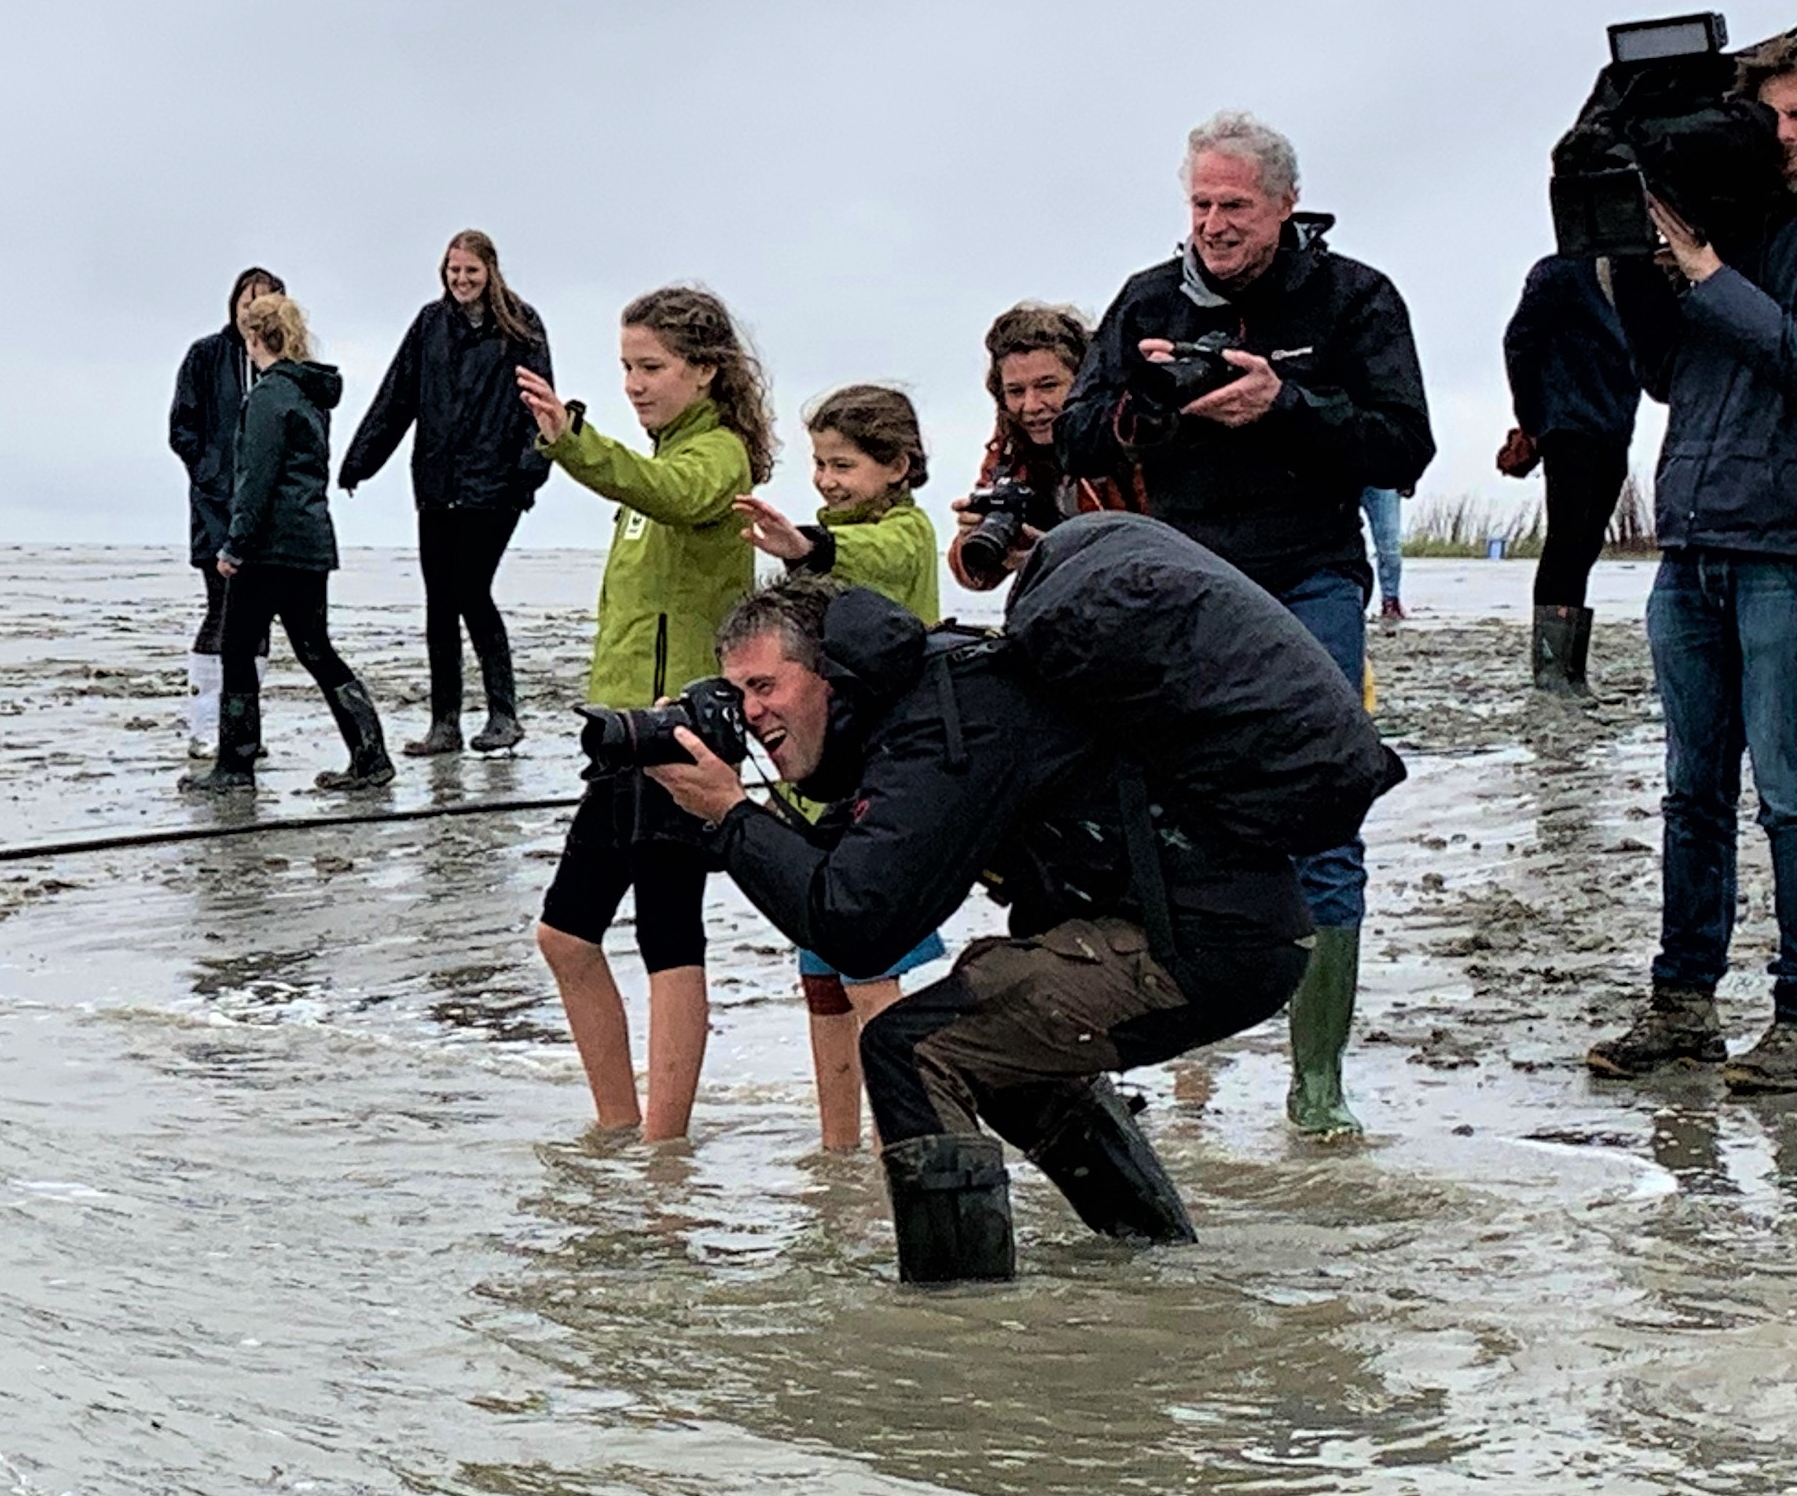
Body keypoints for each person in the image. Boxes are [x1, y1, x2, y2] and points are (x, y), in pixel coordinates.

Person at [655, 572, 1320, 1272]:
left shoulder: (949, 721)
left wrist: (733, 815)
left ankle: (958, 1312)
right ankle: (1152, 1256)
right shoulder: (924, 705)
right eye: (736, 694)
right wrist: (719, 810)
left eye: (765, 686)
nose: (750, 712)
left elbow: (857, 923)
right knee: (991, 1023)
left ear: (831, 672)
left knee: (909, 1047)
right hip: (1227, 930)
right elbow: (842, 874)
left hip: (1210, 943)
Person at [1058, 111, 1431, 1138]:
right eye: (1200, 204)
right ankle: (1169, 1051)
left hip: (1310, 577)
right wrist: (1161, 404)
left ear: (1283, 207)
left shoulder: (1355, 298)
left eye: (1234, 206)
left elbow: (1405, 447)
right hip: (1182, 590)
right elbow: (1079, 434)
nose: (1215, 226)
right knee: (1158, 823)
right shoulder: (1146, 298)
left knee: (1323, 820)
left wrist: (1285, 403)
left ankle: (1317, 1085)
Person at [1585, 29, 1797, 1094]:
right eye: (1768, 119)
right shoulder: (1737, 222)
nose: (1781, 138)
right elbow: (1663, 372)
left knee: (1791, 789)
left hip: (1796, 538)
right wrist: (1638, 268)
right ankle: (1684, 1005)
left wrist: (1703, 270)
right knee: (1693, 791)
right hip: (1695, 530)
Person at [516, 285, 776, 1139]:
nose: (634, 383)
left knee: (658, 933)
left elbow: (672, 492)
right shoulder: (655, 463)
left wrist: (573, 443)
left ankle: (660, 1138)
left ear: (704, 372)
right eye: (626, 366)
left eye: (652, 367)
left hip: (680, 734)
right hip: (627, 734)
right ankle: (625, 1124)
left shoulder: (717, 458)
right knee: (575, 935)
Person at [736, 382, 949, 1150]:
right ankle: (837, 1148)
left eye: (846, 465)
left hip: (886, 780)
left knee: (871, 963)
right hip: (821, 784)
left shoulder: (907, 533)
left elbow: (867, 556)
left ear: (896, 466)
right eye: (822, 464)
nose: (827, 480)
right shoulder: (825, 537)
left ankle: (913, 1135)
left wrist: (804, 548)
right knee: (820, 967)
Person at [337, 230, 553, 756]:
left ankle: (504, 714)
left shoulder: (521, 326)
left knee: (471, 591)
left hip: (496, 485)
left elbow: (541, 402)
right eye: (454, 270)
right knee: (439, 602)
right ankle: (445, 723)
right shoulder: (430, 324)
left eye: (471, 271)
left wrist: (529, 471)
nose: (462, 280)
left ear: (490, 272)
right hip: (437, 482)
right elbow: (397, 396)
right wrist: (359, 460)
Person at [189, 292, 394, 793]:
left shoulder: (267, 397)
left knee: (237, 651)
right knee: (315, 649)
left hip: (267, 550)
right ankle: (371, 753)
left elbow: (255, 480)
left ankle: (235, 766)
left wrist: (234, 546)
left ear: (254, 338)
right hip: (310, 547)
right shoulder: (308, 394)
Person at [1498, 248, 1641, 691]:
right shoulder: (1559, 272)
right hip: (1567, 424)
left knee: (1586, 544)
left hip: (1614, 424)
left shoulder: (1635, 273)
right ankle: (1553, 667)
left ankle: (1567, 666)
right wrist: (1535, 419)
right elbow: (1519, 340)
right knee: (1567, 541)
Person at [169, 268, 287, 755]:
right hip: (216, 509)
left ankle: (242, 730)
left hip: (268, 514)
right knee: (221, 609)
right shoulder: (205, 355)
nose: (252, 309)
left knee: (257, 618)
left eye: (265, 302)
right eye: (247, 299)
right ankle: (203, 727)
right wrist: (216, 481)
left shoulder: (285, 363)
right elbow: (183, 430)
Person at [948, 302, 1133, 594]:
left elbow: (1162, 552)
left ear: (1084, 383)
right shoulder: (1011, 450)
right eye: (1016, 391)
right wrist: (973, 534)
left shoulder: (1127, 436)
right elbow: (976, 578)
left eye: (1047, 386)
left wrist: (1055, 557)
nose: (1031, 406)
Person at [1363, 486, 1409, 628]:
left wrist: (1407, 477)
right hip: (1340, 472)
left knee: (1390, 546)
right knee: (1337, 541)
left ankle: (1390, 602)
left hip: (1381, 477)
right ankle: (1347, 602)